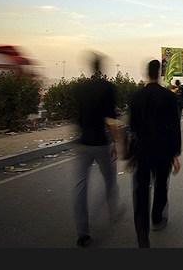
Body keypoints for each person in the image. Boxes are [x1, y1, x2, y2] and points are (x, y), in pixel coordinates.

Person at [71, 52, 124, 248]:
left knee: (80, 187)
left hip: (82, 143)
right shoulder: (108, 88)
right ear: (102, 68)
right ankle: (113, 210)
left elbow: (77, 115)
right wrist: (116, 143)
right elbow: (110, 120)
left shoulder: (79, 88)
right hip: (100, 144)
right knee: (110, 179)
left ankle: (82, 232)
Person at [128, 59, 181, 248]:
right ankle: (157, 218)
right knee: (160, 184)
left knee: (141, 190)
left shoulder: (136, 97)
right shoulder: (167, 96)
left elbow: (132, 128)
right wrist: (175, 154)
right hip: (163, 150)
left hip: (142, 150)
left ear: (145, 73)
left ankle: (142, 234)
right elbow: (175, 126)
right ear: (158, 73)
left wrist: (131, 154)